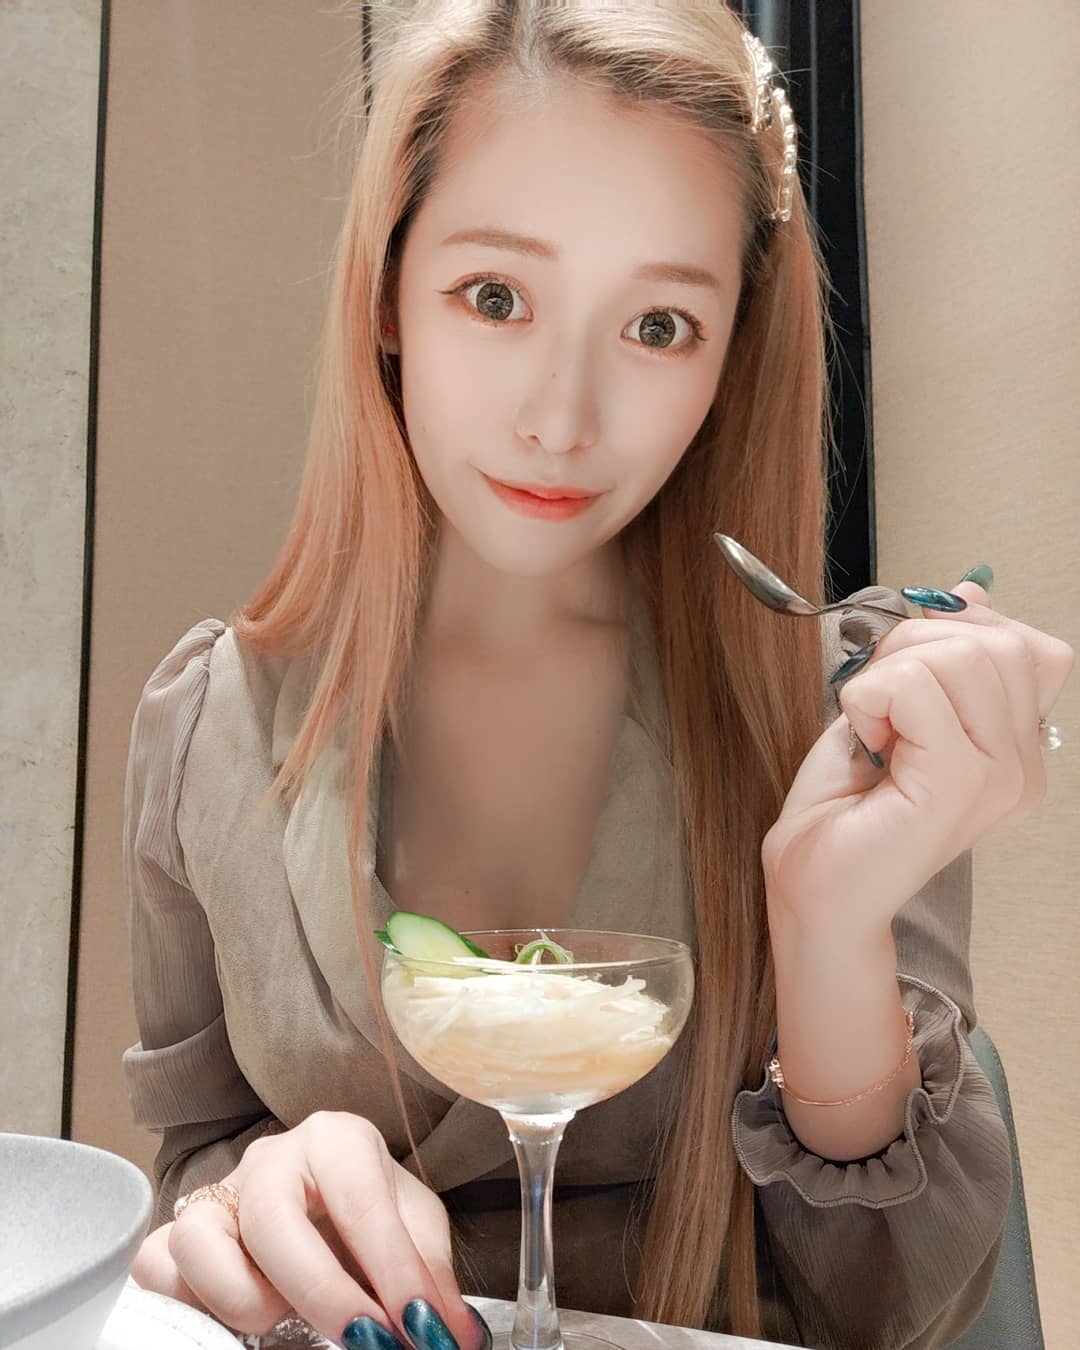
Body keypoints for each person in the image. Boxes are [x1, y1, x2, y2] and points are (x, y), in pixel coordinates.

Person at [121, 3, 1074, 1348]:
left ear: (733, 352)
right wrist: (256, 1195)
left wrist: (826, 925)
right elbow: (196, 1161)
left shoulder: (846, 722)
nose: (562, 419)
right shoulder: (202, 728)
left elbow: (896, 1308)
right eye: (495, 298)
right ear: (386, 295)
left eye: (660, 326)